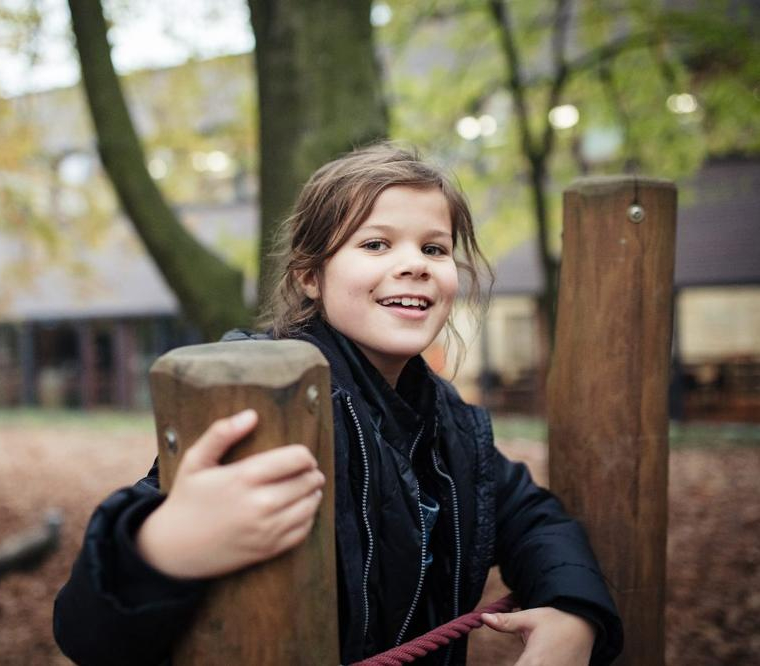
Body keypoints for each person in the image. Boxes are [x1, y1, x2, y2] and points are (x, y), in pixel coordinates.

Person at [53, 144, 623, 665]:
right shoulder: (273, 400)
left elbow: (529, 515)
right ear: (309, 276)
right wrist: (164, 546)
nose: (415, 263)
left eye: (434, 247)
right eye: (376, 243)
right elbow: (85, 631)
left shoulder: (447, 420)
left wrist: (573, 609)